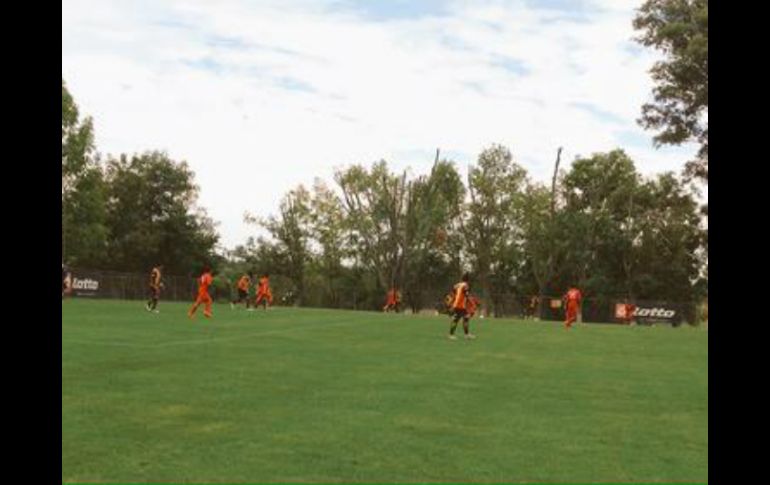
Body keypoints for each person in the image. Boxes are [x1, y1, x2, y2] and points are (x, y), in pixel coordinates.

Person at [448, 273, 476, 340]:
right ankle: (451, 335)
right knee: (457, 320)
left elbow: (453, 294)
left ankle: (466, 335)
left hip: (458, 305)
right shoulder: (465, 285)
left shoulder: (457, 285)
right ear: (468, 280)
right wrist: (472, 303)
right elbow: (467, 295)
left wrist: (451, 302)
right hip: (460, 305)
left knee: (465, 318)